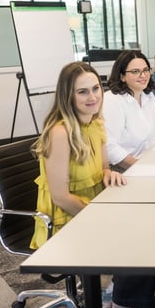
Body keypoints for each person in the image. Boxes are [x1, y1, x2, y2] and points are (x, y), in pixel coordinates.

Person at [30, 62, 126, 249]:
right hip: (67, 219)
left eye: (96, 88)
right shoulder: (59, 133)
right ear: (68, 96)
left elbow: (104, 167)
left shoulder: (96, 122)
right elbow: (60, 197)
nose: (93, 97)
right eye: (82, 92)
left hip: (94, 205)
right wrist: (100, 217)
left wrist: (109, 174)